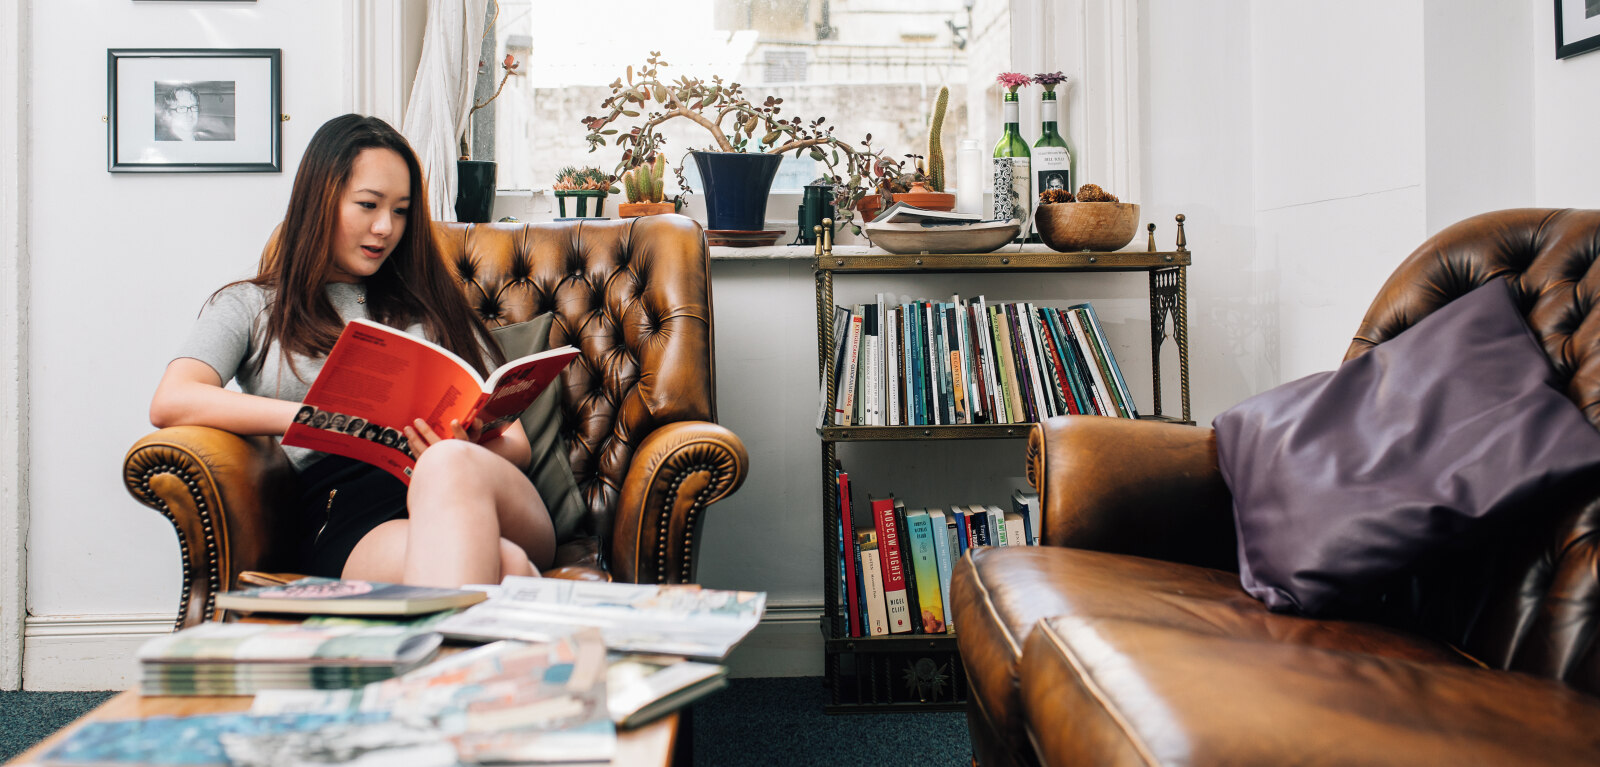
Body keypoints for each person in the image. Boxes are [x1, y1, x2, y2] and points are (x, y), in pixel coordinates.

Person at [149, 114, 556, 588]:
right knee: (505, 567)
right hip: (352, 514)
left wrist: (459, 448)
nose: (385, 227)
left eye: (401, 211)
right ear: (319, 200)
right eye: (368, 204)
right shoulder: (251, 304)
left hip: (483, 488)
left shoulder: (434, 303)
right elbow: (172, 400)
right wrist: (312, 416)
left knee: (448, 464)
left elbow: (517, 446)